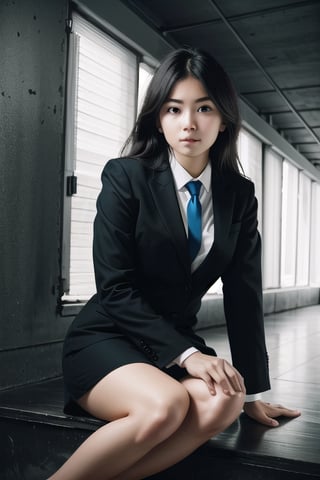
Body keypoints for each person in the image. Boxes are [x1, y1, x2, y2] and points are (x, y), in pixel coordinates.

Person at [49, 47, 300, 480]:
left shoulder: (238, 195)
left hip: (170, 344)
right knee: (166, 405)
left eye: (204, 107)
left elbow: (244, 294)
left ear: (223, 119)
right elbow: (115, 288)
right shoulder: (125, 177)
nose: (189, 123)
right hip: (108, 335)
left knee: (226, 400)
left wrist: (254, 391)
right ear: (158, 118)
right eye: (174, 108)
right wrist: (187, 356)